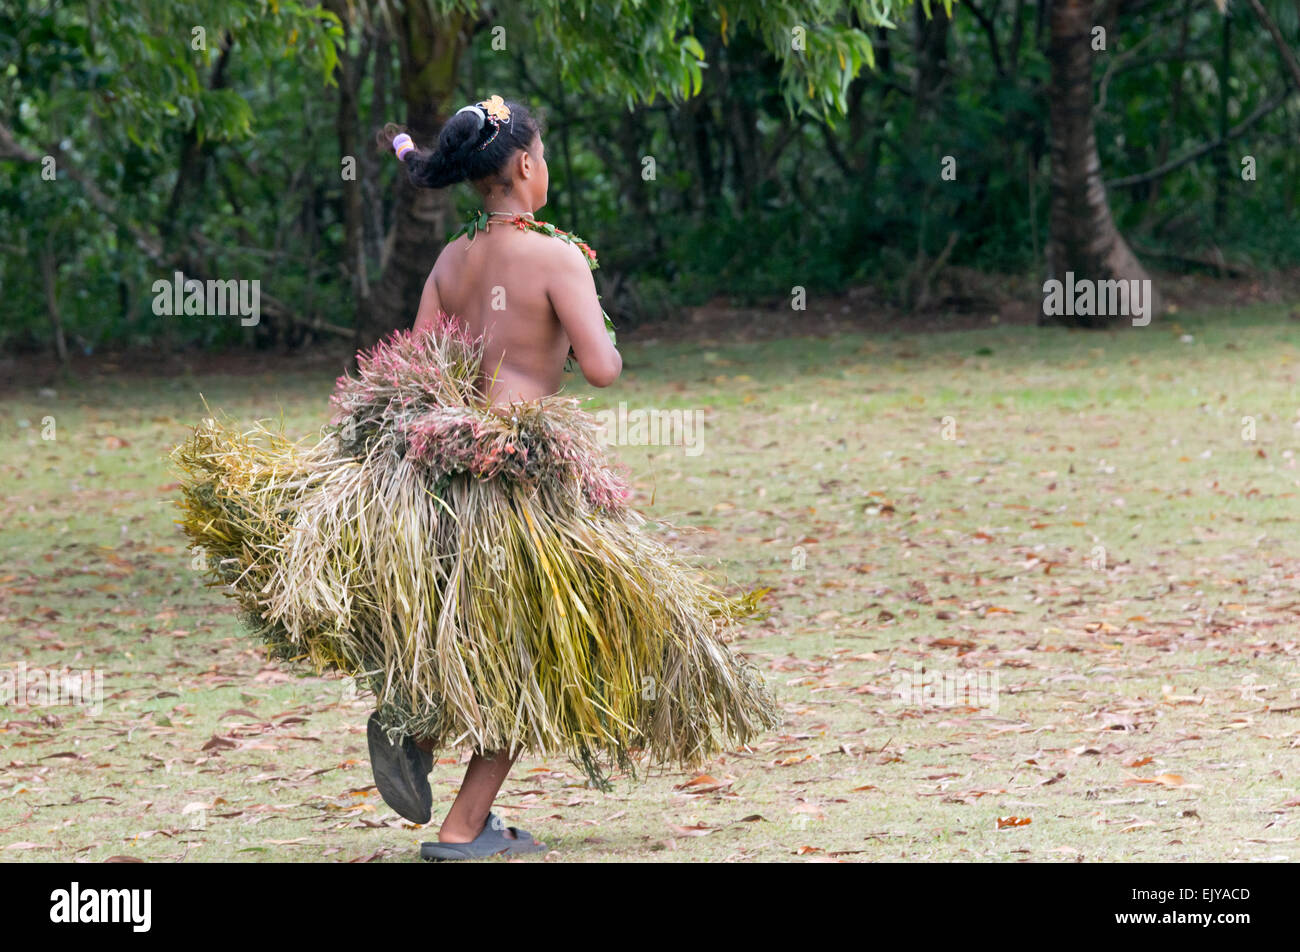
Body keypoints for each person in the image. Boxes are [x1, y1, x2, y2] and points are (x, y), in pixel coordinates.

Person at [173, 95, 780, 863]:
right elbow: (601, 369)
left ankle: (415, 729)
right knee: (538, 652)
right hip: (524, 489)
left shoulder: (453, 259)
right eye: (547, 153)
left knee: (492, 640)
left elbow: (413, 369)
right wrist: (581, 325)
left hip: (443, 482)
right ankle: (463, 827)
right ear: (526, 165)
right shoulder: (559, 256)